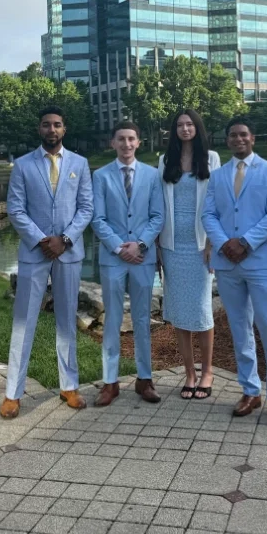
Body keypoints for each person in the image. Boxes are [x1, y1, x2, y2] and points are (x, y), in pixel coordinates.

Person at [0, 105, 94, 418]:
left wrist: (64, 240)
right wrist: (42, 241)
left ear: (64, 129)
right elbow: (15, 209)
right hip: (34, 252)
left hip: (69, 252)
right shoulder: (23, 165)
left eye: (56, 124)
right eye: (46, 125)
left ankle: (69, 386)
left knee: (67, 320)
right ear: (39, 129)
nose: (51, 129)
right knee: (23, 322)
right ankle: (13, 393)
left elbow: (86, 208)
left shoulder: (80, 164)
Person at [202, 115, 267, 425]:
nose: (238, 139)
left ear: (252, 138)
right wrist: (223, 243)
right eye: (233, 135)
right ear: (227, 140)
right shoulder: (217, 176)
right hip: (227, 263)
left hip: (259, 262)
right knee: (239, 327)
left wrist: (245, 242)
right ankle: (250, 390)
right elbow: (208, 214)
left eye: (243, 134)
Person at [91, 121, 165, 407]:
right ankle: (110, 382)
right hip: (113, 258)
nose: (126, 144)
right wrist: (119, 247)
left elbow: (157, 216)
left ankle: (145, 379)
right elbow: (97, 219)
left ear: (138, 142)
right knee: (112, 319)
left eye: (131, 138)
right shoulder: (100, 176)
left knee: (143, 319)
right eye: (121, 139)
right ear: (113, 143)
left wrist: (141, 244)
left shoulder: (152, 175)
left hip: (143, 257)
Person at [158, 110, 221, 400]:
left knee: (202, 309)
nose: (185, 129)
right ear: (175, 130)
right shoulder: (165, 160)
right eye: (180, 125)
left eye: (190, 124)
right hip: (172, 245)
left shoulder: (212, 159)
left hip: (200, 245)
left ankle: (207, 371)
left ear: (198, 128)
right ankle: (189, 373)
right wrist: (157, 246)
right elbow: (159, 204)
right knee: (180, 312)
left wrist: (211, 242)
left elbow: (217, 201)